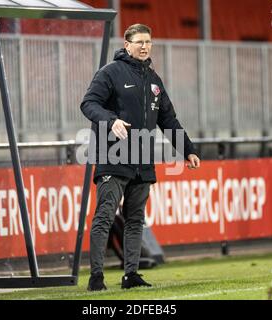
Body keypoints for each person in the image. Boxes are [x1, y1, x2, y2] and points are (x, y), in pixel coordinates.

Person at [80, 24, 201, 291]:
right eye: (139, 42)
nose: (145, 46)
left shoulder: (153, 79)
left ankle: (130, 275)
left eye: (148, 42)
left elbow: (169, 119)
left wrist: (189, 150)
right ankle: (96, 278)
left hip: (142, 160)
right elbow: (88, 103)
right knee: (105, 217)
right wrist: (111, 121)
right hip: (113, 155)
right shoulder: (109, 73)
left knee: (135, 220)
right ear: (126, 45)